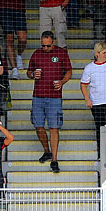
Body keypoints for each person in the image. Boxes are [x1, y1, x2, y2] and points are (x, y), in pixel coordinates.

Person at [27, 31, 72, 174]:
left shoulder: (61, 53)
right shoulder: (36, 53)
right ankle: (46, 151)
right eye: (43, 45)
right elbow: (28, 72)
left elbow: (69, 71)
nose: (45, 48)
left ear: (53, 42)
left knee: (54, 127)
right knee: (38, 126)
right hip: (38, 96)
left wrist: (62, 82)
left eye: (48, 46)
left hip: (54, 97)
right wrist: (33, 74)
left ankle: (54, 159)